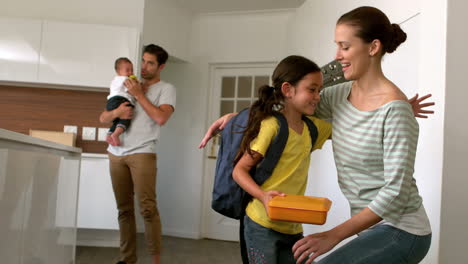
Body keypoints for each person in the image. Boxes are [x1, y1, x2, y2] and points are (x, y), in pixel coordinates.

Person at [199, 6, 434, 264]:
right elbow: (288, 103)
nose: (337, 55)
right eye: (337, 46)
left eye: (345, 47)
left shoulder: (396, 111)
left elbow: (396, 194)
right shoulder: (337, 96)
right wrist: (237, 118)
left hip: (403, 230)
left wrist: (333, 235)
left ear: (373, 47)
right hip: (369, 230)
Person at [233, 55, 332, 264]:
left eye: (319, 91)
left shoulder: (314, 128)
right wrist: (263, 196)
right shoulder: (271, 126)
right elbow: (239, 171)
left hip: (293, 225)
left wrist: (399, 108)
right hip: (261, 223)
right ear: (288, 90)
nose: (317, 97)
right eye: (312, 89)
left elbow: (355, 124)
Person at [99, 44, 176, 264]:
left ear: (161, 66)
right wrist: (117, 112)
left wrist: (139, 94)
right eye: (143, 60)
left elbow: (161, 118)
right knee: (123, 210)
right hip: (116, 153)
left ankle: (155, 261)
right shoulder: (126, 83)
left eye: (150, 63)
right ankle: (127, 259)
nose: (144, 66)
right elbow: (104, 118)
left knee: (148, 209)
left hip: (142, 153)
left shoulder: (166, 88)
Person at [105, 57, 136, 146]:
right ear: (119, 72)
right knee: (126, 117)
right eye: (127, 70)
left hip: (111, 102)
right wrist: (138, 85)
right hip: (119, 100)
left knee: (117, 121)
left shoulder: (115, 81)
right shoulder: (123, 79)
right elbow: (132, 90)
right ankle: (116, 134)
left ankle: (110, 134)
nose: (130, 73)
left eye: (132, 70)